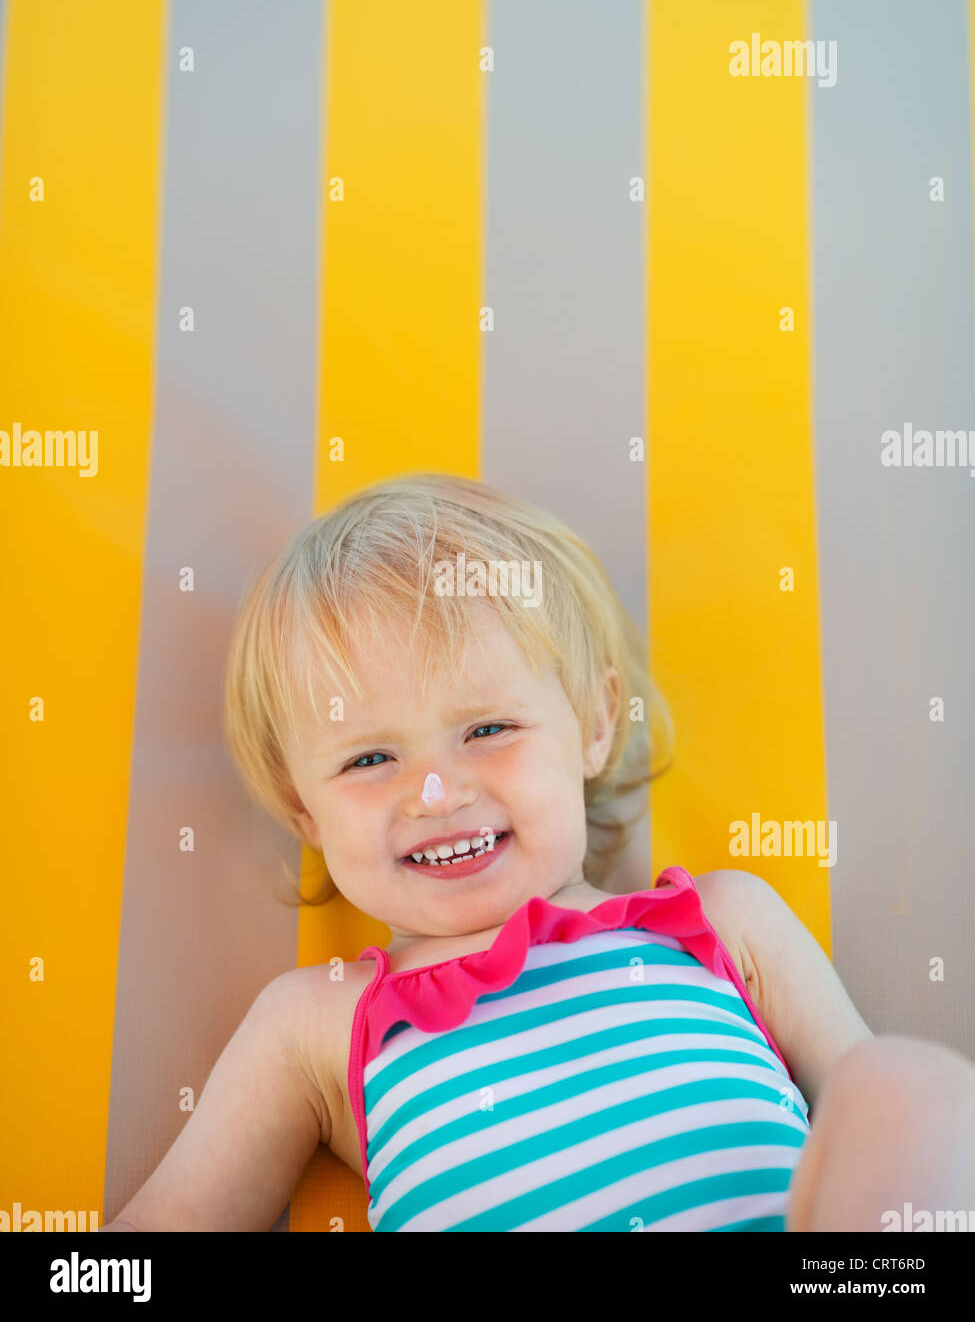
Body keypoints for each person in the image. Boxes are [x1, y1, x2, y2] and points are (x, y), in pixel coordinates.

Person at [101, 474, 975, 1232]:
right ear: (304, 811)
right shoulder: (316, 1024)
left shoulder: (721, 920)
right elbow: (166, 1222)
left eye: (487, 729)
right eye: (370, 759)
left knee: (910, 1089)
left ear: (595, 726)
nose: (434, 792)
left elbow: (870, 1131)